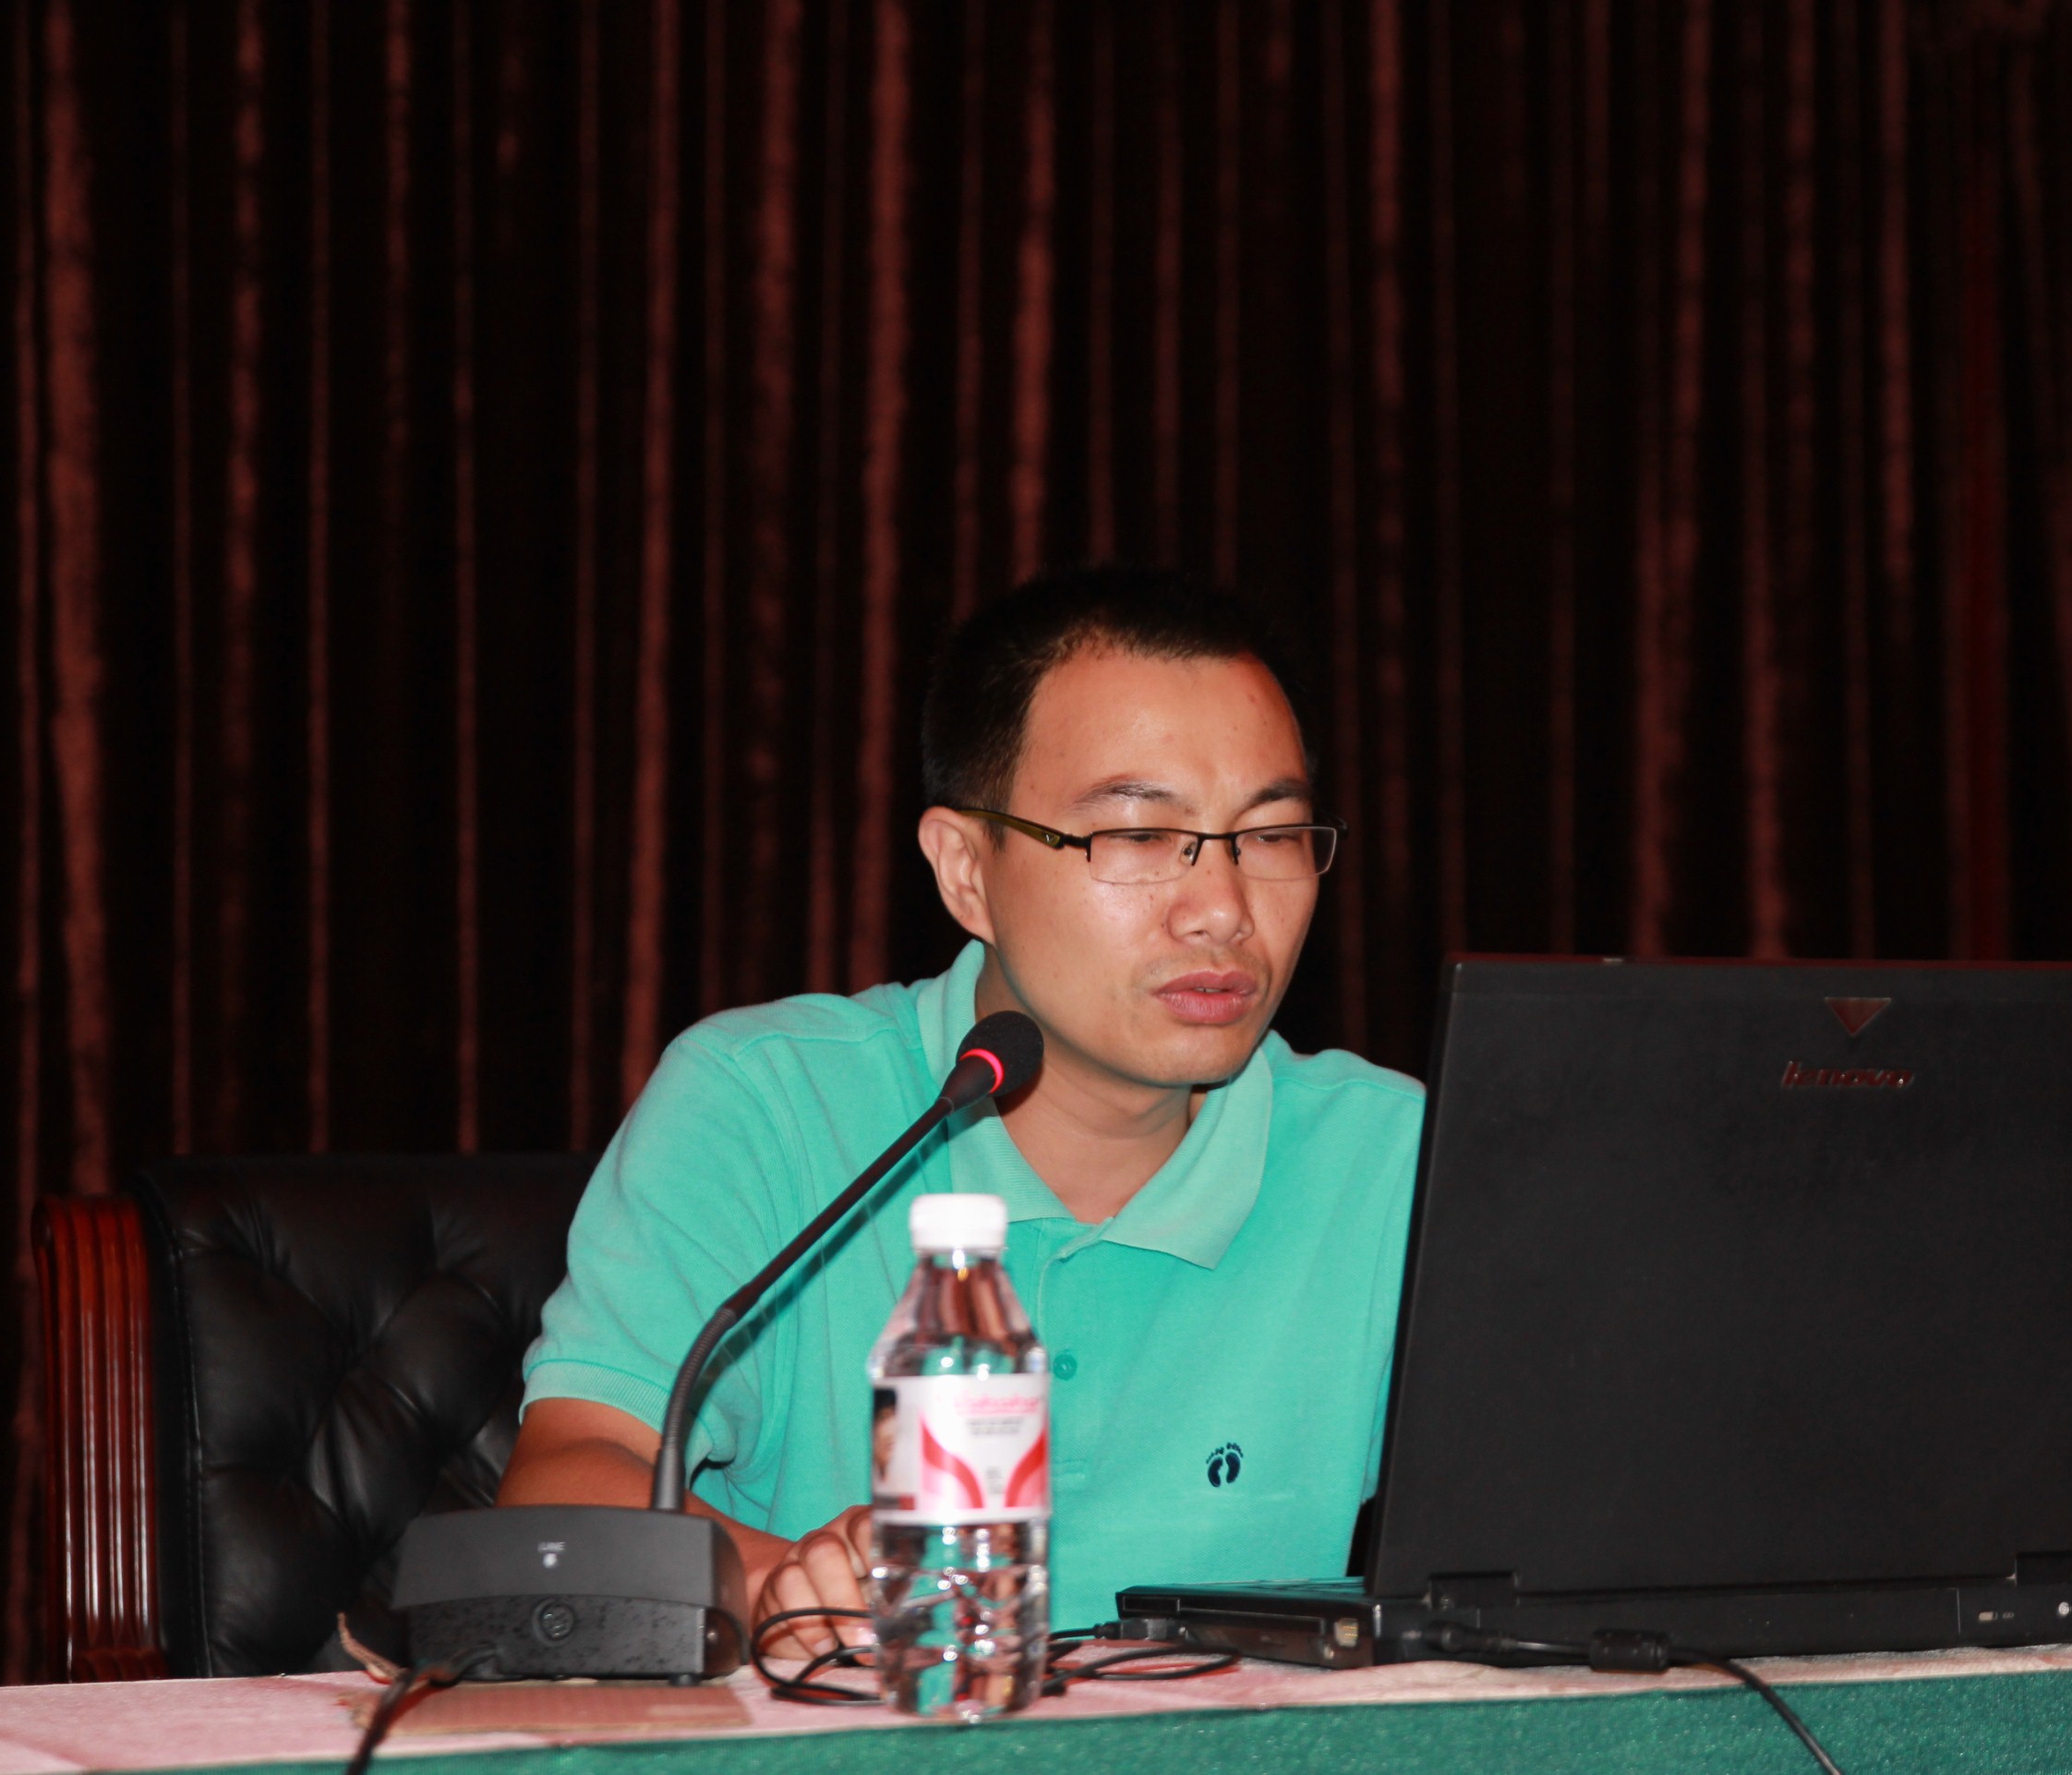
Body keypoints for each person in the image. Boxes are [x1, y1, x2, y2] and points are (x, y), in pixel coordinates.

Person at [498, 566, 1425, 1654]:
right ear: (965, 869)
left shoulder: (1397, 1157)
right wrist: (778, 1580)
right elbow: (568, 1477)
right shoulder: (768, 1101)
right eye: (1137, 836)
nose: (1222, 910)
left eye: (1270, 834)